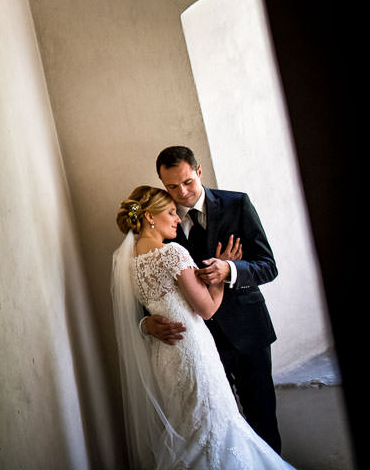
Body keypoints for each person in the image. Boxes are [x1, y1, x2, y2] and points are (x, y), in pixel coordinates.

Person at [111, 185, 292, 469]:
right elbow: (206, 308)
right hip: (192, 350)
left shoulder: (127, 262)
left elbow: (267, 264)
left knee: (190, 426)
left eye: (175, 212)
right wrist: (223, 272)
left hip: (167, 356)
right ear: (149, 216)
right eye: (170, 211)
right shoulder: (172, 253)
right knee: (213, 422)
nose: (175, 217)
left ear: (197, 173)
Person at [143, 146, 281, 453]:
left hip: (248, 331)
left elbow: (268, 265)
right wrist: (146, 321)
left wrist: (229, 269)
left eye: (188, 182)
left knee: (262, 417)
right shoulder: (160, 222)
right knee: (219, 423)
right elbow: (153, 278)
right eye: (172, 186)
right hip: (198, 342)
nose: (182, 192)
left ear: (199, 171)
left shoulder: (237, 204)